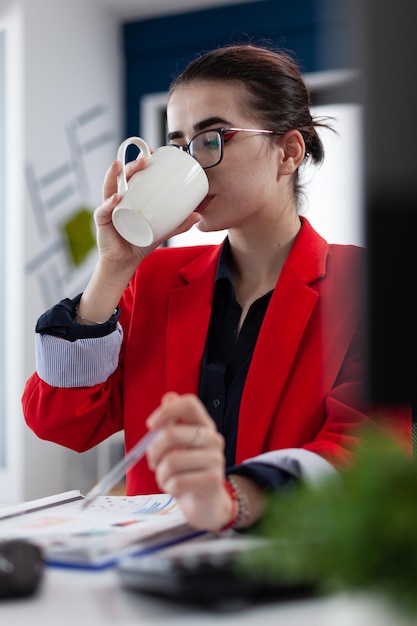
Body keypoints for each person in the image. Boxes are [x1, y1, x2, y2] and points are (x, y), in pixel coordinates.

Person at [22, 44, 411, 533]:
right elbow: (60, 420)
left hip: (294, 577)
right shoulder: (156, 279)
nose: (192, 163)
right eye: (179, 145)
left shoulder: (367, 283)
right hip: (158, 574)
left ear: (289, 151)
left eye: (212, 138)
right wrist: (112, 269)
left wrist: (233, 499)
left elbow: (370, 449)